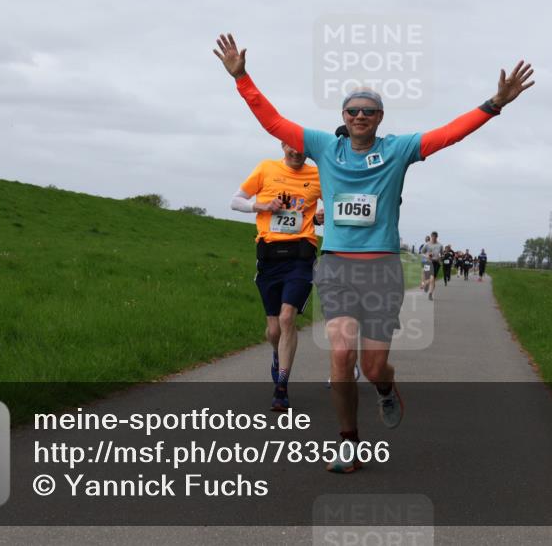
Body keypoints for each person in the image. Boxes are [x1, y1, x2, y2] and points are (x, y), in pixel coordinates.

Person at [214, 33, 535, 473]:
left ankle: (385, 389)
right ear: (343, 116)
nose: (360, 116)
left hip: (381, 269)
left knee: (374, 363)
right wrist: (242, 77)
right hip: (337, 267)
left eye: (368, 111)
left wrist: (494, 104)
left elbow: (448, 134)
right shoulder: (325, 147)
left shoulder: (397, 150)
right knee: (341, 356)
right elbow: (272, 122)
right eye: (353, 110)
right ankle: (348, 444)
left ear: (380, 117)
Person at [231, 141, 324, 411]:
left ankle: (281, 386)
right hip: (269, 257)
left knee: (287, 318)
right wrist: (261, 206)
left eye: (301, 149)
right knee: (273, 330)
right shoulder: (265, 168)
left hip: (301, 255)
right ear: (283, 146)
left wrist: (322, 214)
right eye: (290, 147)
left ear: (308, 151)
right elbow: (235, 201)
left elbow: (335, 201)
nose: (295, 153)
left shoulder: (317, 176)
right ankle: (277, 354)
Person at [421, 232, 443, 301]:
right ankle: (425, 284)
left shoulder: (440, 245)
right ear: (431, 237)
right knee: (430, 278)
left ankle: (430, 294)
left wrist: (440, 258)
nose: (433, 238)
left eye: (435, 237)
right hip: (428, 262)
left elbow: (442, 254)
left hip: (436, 263)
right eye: (432, 237)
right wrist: (427, 255)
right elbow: (422, 253)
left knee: (433, 279)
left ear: (437, 237)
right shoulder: (427, 244)